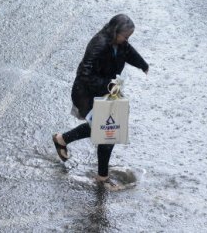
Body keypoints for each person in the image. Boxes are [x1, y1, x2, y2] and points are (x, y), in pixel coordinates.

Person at [52, 14, 149, 188]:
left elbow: (129, 52)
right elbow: (84, 74)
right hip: (86, 94)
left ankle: (62, 140)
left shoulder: (119, 43)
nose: (126, 40)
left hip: (105, 91)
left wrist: (143, 65)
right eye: (125, 36)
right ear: (115, 31)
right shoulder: (99, 44)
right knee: (107, 132)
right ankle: (102, 177)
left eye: (128, 38)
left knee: (103, 128)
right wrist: (108, 85)